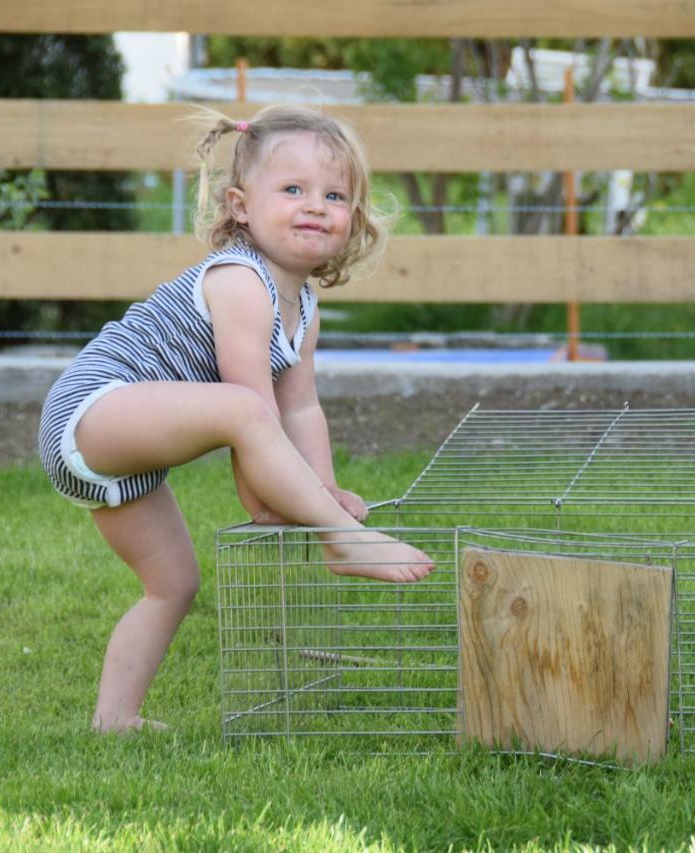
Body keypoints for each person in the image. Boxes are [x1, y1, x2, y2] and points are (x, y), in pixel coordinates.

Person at [37, 104, 434, 734]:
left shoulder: (302, 305)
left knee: (173, 584)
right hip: (93, 412)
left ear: (353, 220)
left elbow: (301, 407)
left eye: (334, 196)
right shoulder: (240, 281)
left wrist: (321, 487)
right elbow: (250, 410)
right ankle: (344, 540)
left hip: (121, 464)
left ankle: (115, 719)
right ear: (241, 206)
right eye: (293, 189)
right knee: (247, 407)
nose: (315, 205)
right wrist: (280, 505)